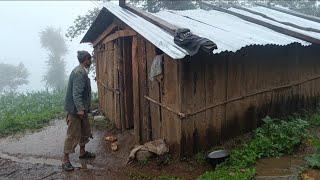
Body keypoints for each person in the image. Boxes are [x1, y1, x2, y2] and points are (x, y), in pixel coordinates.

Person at [62, 50, 95, 171]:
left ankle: (82, 153)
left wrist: (85, 109)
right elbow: (76, 94)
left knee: (85, 131)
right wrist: (80, 110)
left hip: (82, 109)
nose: (90, 62)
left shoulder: (81, 71)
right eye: (89, 59)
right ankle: (65, 160)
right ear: (86, 59)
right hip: (76, 111)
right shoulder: (79, 73)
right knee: (73, 134)